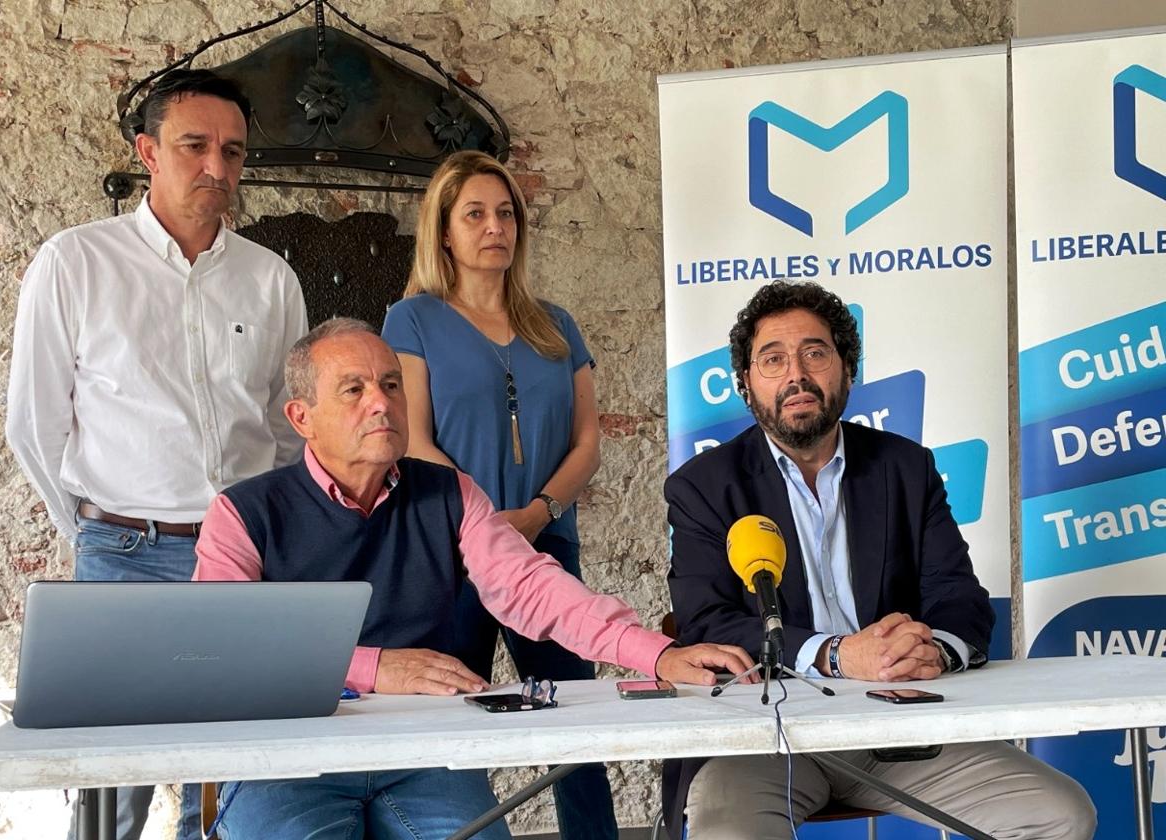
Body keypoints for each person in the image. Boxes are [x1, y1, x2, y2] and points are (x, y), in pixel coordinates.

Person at [192, 318, 754, 840]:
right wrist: (374, 668)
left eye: (391, 384)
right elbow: (220, 648)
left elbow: (532, 587)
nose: (381, 403)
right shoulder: (244, 513)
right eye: (353, 390)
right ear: (301, 418)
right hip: (288, 757)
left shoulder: (450, 493)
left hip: (419, 753)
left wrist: (658, 654)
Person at [661, 281, 1097, 840]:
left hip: (896, 725)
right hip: (764, 736)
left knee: (1061, 815)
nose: (796, 375)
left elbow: (960, 599)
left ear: (848, 368)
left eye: (815, 353)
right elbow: (706, 623)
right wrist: (838, 655)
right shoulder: (703, 486)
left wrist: (930, 651)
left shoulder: (906, 468)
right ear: (746, 383)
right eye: (773, 360)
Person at [4, 69, 308, 840]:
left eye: (232, 151)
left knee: (235, 779)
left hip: (241, 560)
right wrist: (94, 531)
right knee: (114, 788)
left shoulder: (270, 279)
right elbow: (34, 423)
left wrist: (267, 530)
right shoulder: (75, 263)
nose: (216, 166)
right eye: (194, 146)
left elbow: (286, 425)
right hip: (124, 558)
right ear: (148, 151)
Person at [380, 151, 616, 840]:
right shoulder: (411, 320)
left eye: (507, 213)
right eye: (476, 214)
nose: (495, 227)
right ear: (444, 231)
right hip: (452, 554)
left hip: (545, 547)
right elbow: (413, 440)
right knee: (454, 725)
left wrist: (537, 515)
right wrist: (486, 524)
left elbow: (588, 443)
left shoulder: (557, 324)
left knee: (576, 726)